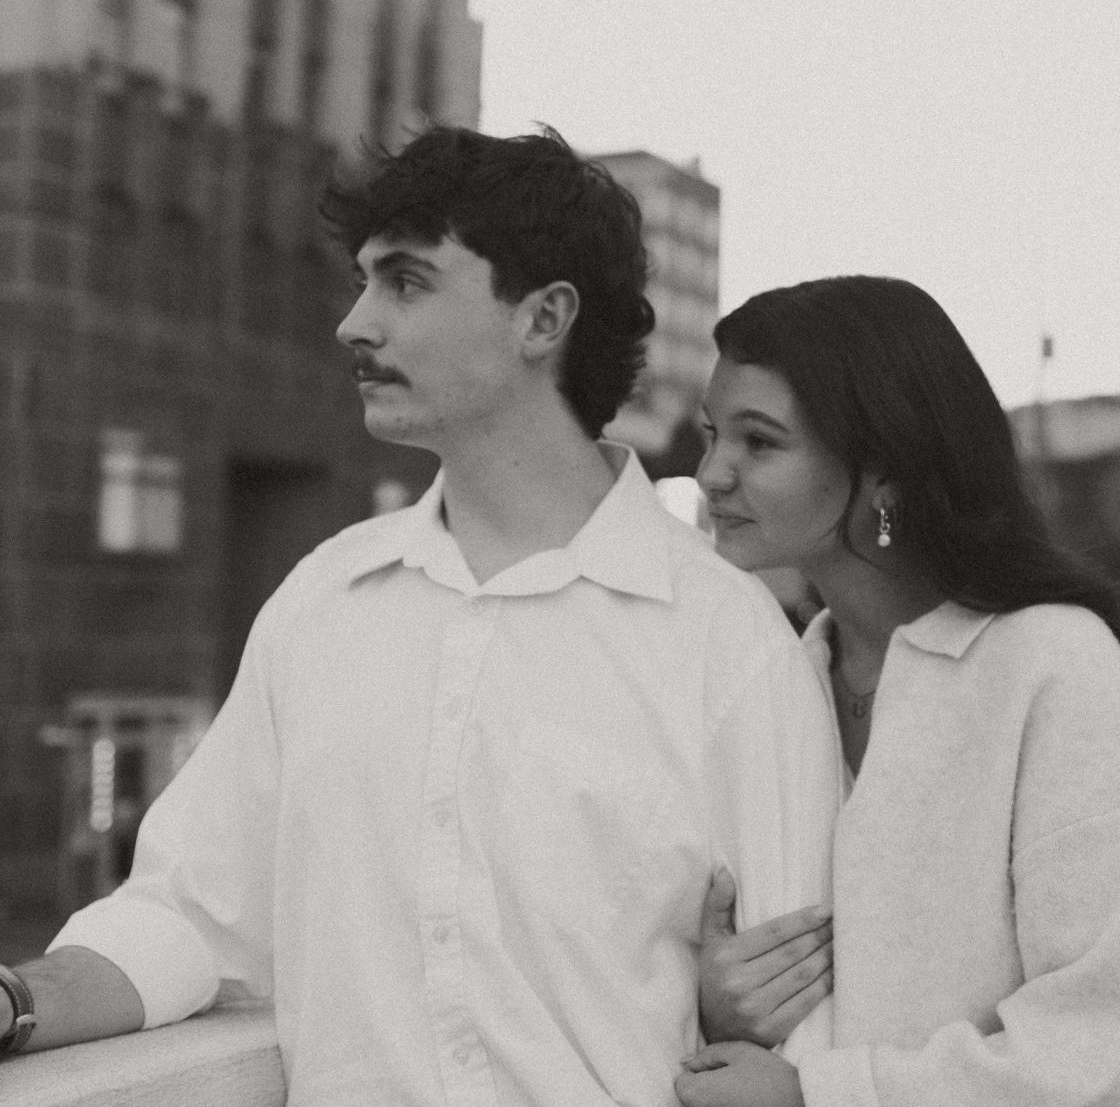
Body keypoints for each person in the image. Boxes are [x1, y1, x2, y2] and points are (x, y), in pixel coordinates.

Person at [0, 127, 844, 1105]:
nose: (353, 323)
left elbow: (807, 1020)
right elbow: (192, 911)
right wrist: (18, 999)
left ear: (542, 319)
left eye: (405, 282)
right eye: (363, 281)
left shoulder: (727, 644)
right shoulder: (323, 602)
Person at [675, 275, 1120, 1107]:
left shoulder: (1052, 670)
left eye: (759, 442)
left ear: (885, 474)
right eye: (712, 434)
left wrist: (818, 1096)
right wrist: (718, 1008)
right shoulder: (777, 687)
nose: (710, 474)